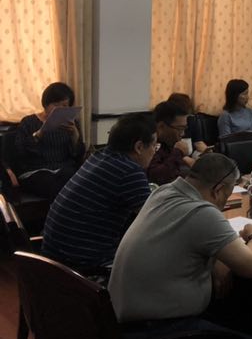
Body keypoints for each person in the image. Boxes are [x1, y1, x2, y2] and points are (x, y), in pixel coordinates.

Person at [108, 154, 252, 339]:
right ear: (218, 190)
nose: (224, 203)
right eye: (227, 195)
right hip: (157, 335)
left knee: (232, 315)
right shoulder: (202, 213)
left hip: (120, 327)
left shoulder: (162, 192)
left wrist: (218, 259)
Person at [42, 113, 157, 271]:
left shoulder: (99, 155)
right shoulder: (129, 171)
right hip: (80, 267)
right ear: (139, 147)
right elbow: (154, 219)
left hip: (54, 257)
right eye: (154, 146)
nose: (154, 151)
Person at [14, 82, 86, 201]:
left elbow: (78, 156)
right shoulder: (28, 122)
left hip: (63, 168)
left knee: (76, 180)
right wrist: (40, 133)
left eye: (65, 106)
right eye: (56, 105)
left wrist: (75, 135)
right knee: (52, 184)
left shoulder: (71, 124)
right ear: (46, 104)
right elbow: (20, 151)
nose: (61, 109)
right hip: (35, 171)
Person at [148, 100, 195, 185]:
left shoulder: (168, 143)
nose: (182, 134)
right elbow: (156, 177)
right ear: (161, 126)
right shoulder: (148, 145)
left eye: (184, 128)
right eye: (180, 129)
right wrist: (178, 152)